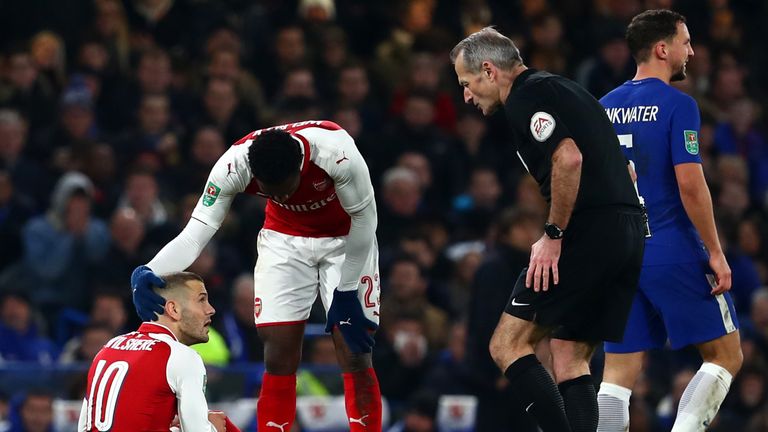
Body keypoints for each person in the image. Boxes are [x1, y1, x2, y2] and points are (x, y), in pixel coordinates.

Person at [450, 27, 646, 432]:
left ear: (489, 70)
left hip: (588, 231)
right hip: (627, 232)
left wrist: (553, 235)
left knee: (506, 344)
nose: (466, 95)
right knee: (570, 353)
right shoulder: (564, 89)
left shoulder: (524, 95)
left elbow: (569, 158)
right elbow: (624, 166)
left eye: (467, 84)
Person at [131, 120, 382, 432]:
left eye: (286, 189)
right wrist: (149, 270)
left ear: (300, 169)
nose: (282, 196)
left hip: (346, 238)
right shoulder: (234, 164)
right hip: (283, 239)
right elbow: (196, 234)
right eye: (270, 191)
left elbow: (364, 221)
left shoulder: (336, 153)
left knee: (354, 349)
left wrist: (345, 291)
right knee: (278, 352)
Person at [597, 10, 743, 431]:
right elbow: (691, 185)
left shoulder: (603, 107)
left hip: (620, 256)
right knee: (726, 355)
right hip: (670, 246)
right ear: (663, 49)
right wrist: (715, 251)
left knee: (618, 373)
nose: (691, 51)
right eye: (686, 42)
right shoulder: (679, 105)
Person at [77, 272, 239, 431]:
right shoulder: (181, 356)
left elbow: (84, 424)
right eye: (201, 300)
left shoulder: (110, 345)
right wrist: (214, 429)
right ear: (173, 309)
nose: (210, 309)